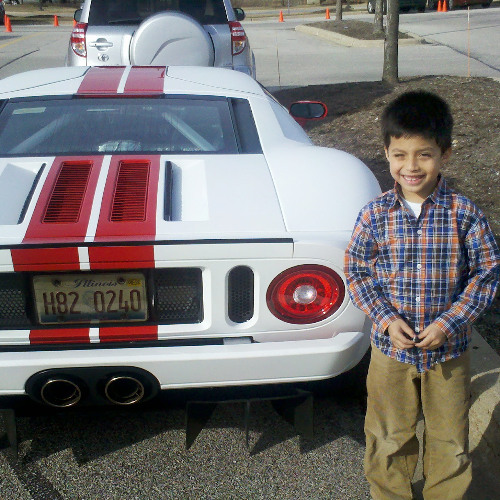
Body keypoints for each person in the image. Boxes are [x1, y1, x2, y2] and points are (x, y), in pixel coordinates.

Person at [344, 90, 500, 500]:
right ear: (387, 153)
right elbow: (357, 271)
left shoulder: (465, 214)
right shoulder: (374, 215)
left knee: (450, 439)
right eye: (400, 155)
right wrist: (385, 319)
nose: (411, 166)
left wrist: (449, 323)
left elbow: (487, 274)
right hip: (390, 352)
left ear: (445, 154)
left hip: (449, 352)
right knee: (387, 436)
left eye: (424, 155)